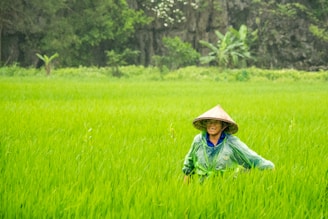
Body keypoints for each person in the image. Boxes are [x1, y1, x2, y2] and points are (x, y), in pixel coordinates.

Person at [182, 105, 274, 183]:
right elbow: (189, 164)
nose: (212, 125)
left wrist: (270, 167)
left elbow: (252, 158)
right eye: (209, 122)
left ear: (223, 126)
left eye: (216, 122)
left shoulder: (232, 142)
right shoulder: (198, 141)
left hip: (225, 187)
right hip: (203, 189)